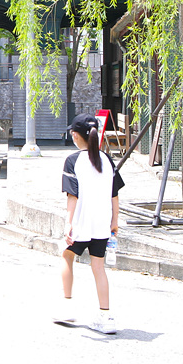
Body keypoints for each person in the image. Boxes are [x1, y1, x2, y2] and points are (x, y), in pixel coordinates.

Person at [56, 113, 124, 335]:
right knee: (98, 267)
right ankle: (106, 317)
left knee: (67, 256)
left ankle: (67, 308)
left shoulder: (73, 160)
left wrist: (68, 224)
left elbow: (72, 196)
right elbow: (114, 194)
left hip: (81, 223)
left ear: (75, 136)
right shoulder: (106, 159)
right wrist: (114, 221)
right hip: (102, 224)